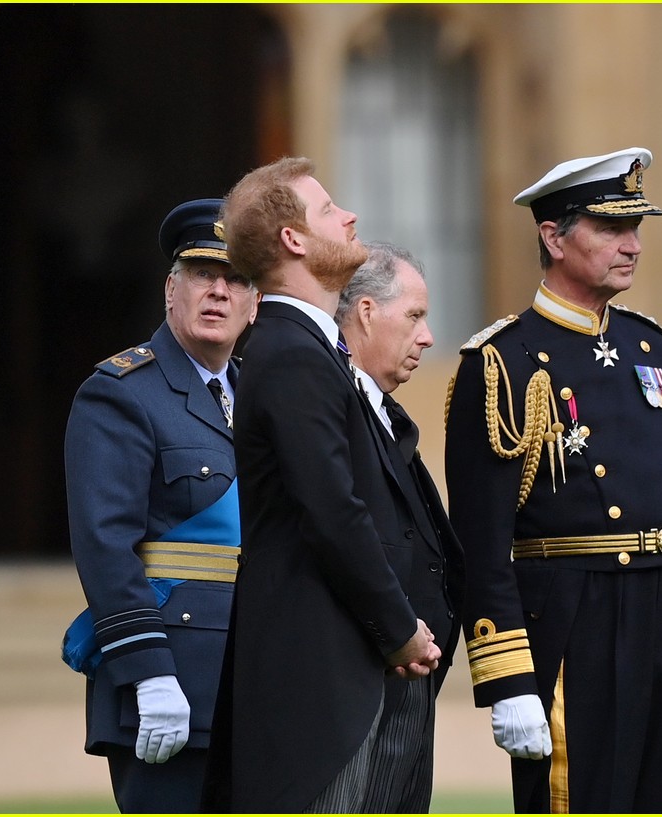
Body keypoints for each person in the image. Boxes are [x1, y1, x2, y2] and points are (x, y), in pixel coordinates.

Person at [443, 147, 662, 813]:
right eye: (612, 228)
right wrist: (507, 679)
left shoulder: (652, 347)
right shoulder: (503, 363)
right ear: (552, 236)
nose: (633, 245)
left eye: (637, 227)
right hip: (575, 627)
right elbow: (480, 543)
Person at [202, 158, 442, 812]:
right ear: (294, 240)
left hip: (336, 674)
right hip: (315, 685)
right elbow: (334, 511)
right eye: (330, 208)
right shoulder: (290, 353)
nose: (350, 216)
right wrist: (400, 628)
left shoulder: (305, 351)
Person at [63, 198, 259, 812]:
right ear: (171, 290)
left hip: (258, 681)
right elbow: (104, 543)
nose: (219, 293)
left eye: (237, 280)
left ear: (255, 304)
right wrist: (149, 670)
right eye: (204, 275)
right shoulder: (122, 393)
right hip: (173, 678)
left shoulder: (264, 394)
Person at [334, 241, 465, 811]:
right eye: (414, 316)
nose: (429, 336)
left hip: (406, 677)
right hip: (359, 681)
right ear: (366, 312)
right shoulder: (333, 405)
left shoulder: (382, 411)